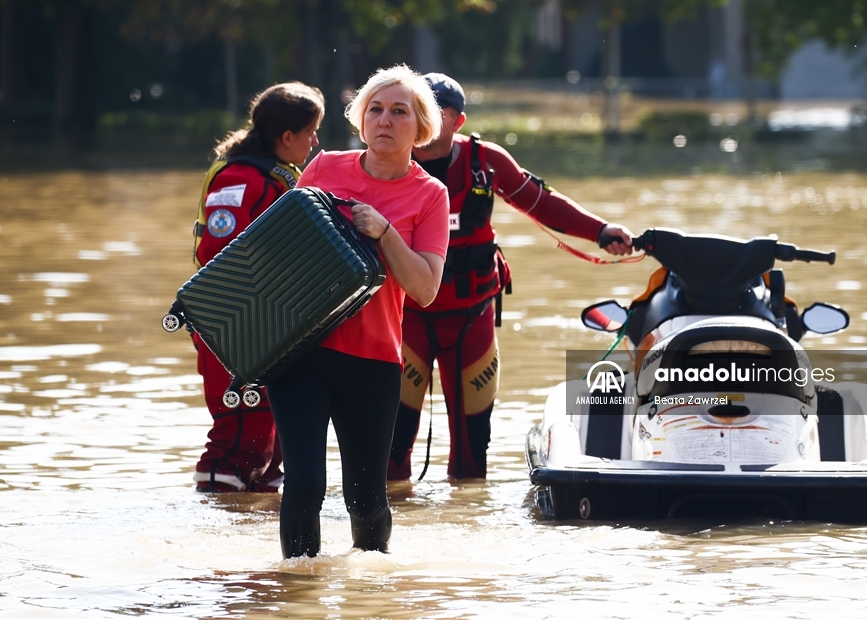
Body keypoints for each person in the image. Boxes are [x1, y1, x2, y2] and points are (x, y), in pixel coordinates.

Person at [388, 73, 635, 480]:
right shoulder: (385, 161)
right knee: (391, 448)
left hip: (471, 317)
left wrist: (600, 230)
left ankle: (466, 524)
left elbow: (542, 204)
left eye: (436, 112)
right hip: (403, 318)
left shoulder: (487, 162)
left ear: (457, 122)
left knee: (472, 454)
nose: (423, 120)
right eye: (415, 111)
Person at [266, 65, 449, 557]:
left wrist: (384, 231)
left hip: (372, 361)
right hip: (301, 348)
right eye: (375, 109)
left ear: (421, 127)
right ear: (360, 119)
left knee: (365, 500)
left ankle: (373, 592)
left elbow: (426, 290)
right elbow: (281, 249)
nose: (384, 120)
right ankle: (297, 596)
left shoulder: (430, 195)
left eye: (399, 111)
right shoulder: (324, 169)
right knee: (303, 484)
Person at [193, 82, 326, 493]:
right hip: (233, 322)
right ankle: (216, 526)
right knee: (238, 435)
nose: (316, 141)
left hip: (271, 322)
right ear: (287, 138)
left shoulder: (278, 176)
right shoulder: (238, 180)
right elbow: (219, 255)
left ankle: (256, 524)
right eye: (310, 132)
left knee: (272, 442)